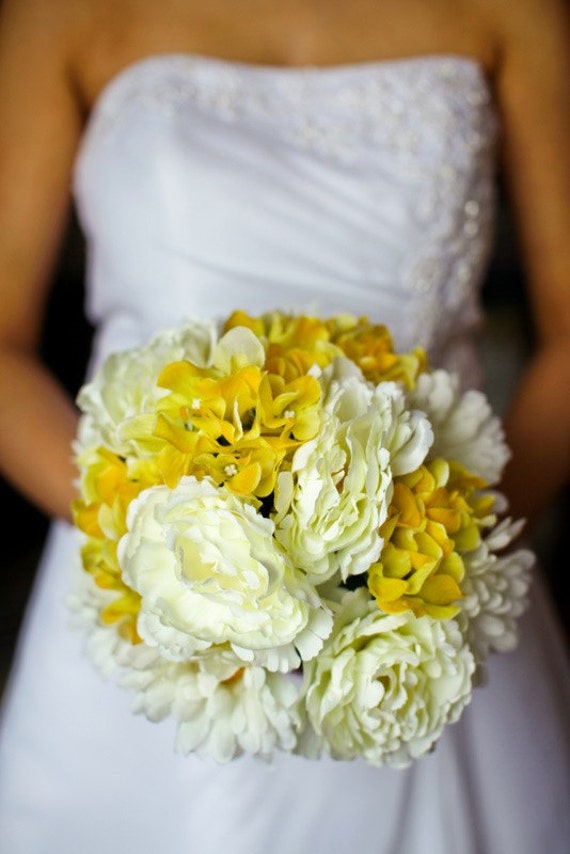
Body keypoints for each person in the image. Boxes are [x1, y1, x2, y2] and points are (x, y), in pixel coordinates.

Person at [0, 0, 569, 851]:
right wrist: (168, 563)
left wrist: (434, 562)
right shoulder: (58, 15)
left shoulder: (517, 12)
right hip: (148, 622)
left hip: (429, 610)